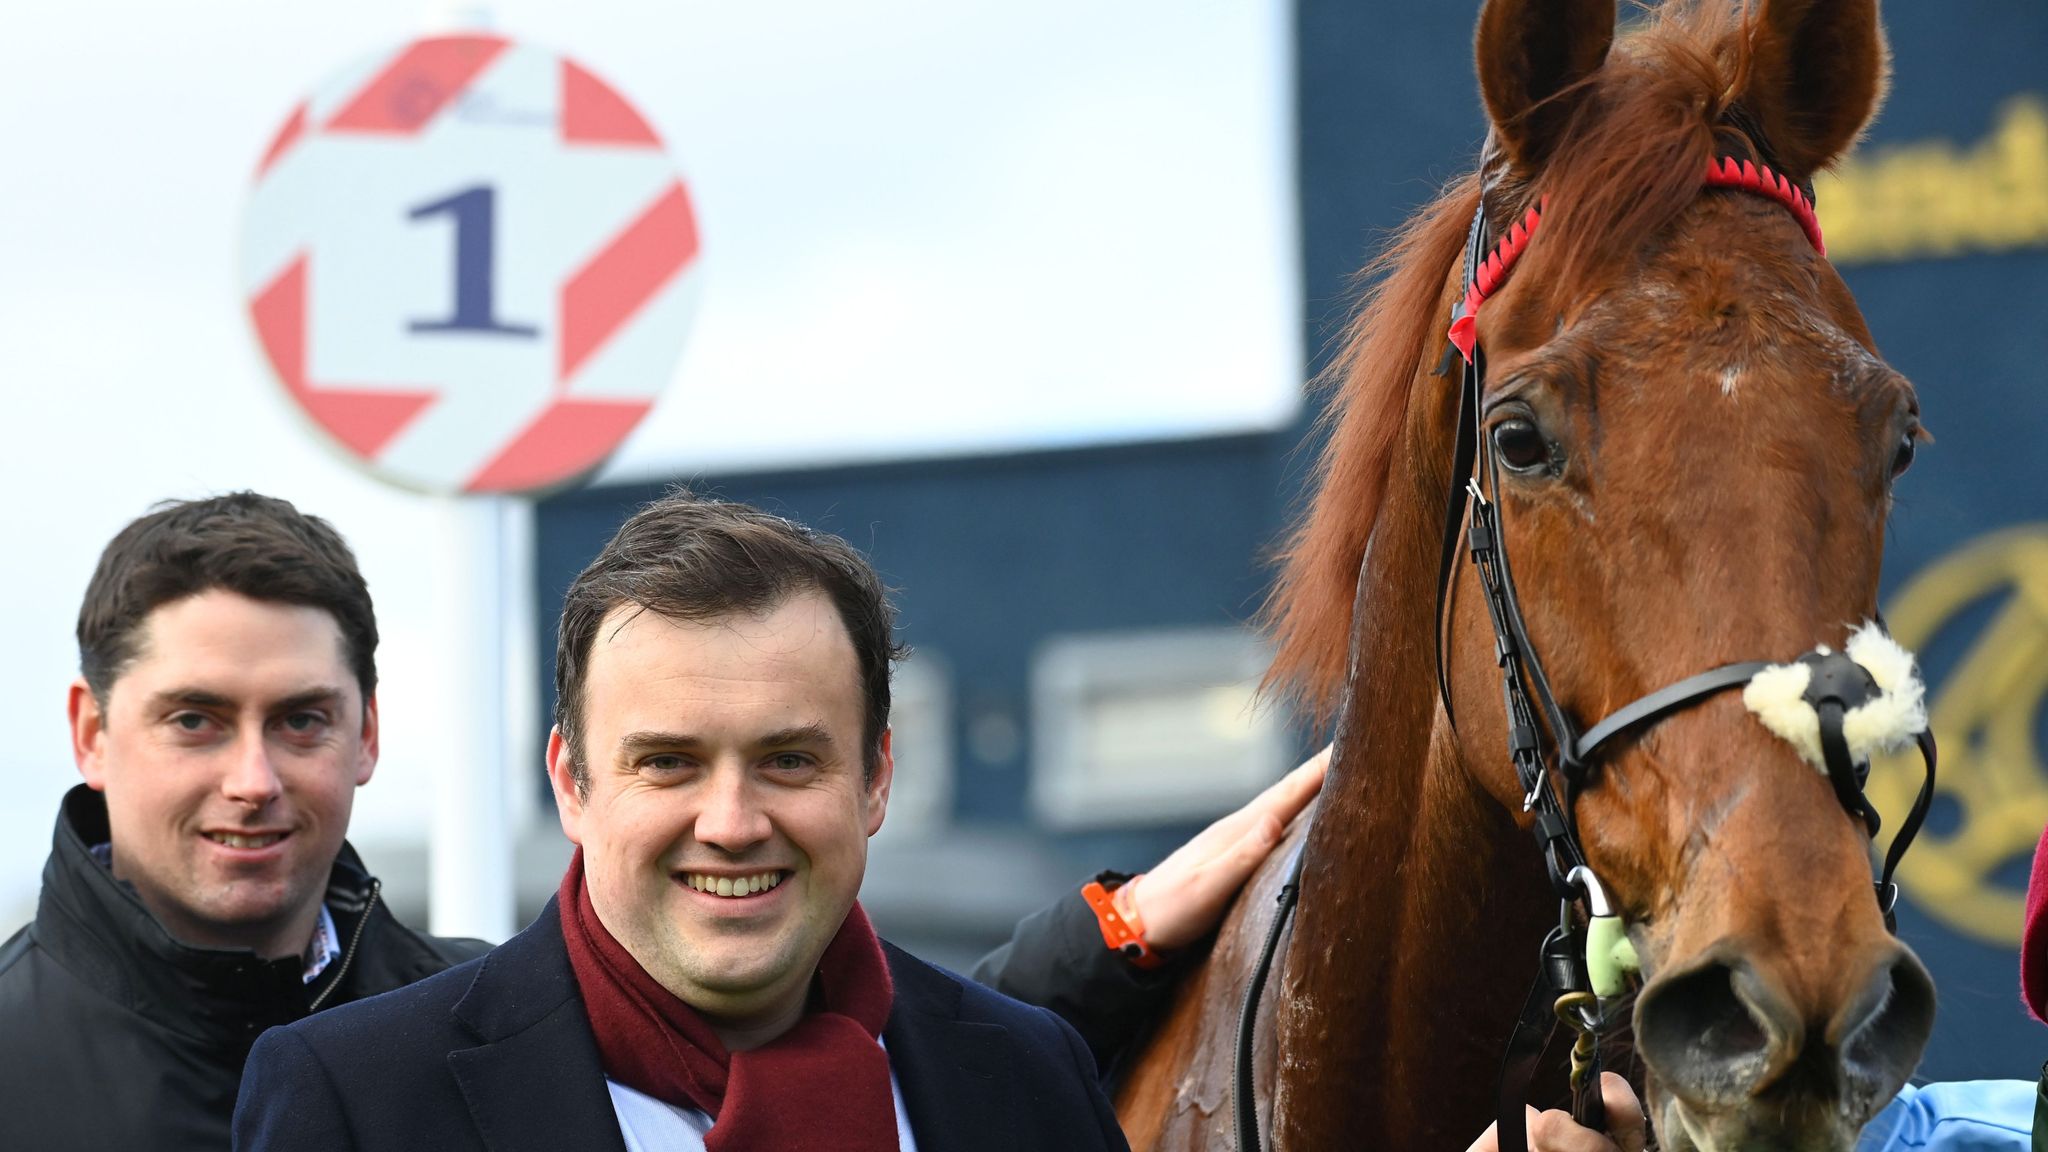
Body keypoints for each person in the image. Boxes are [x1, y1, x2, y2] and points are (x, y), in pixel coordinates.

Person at [233, 492, 1137, 1151]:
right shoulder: (357, 1103)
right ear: (573, 786)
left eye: (789, 760)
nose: (733, 822)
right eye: (668, 763)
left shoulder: (1030, 1079)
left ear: (876, 779)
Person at [0, 493, 491, 1151]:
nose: (253, 782)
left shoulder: (504, 1031)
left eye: (300, 720)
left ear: (367, 734)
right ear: (92, 733)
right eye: (194, 721)